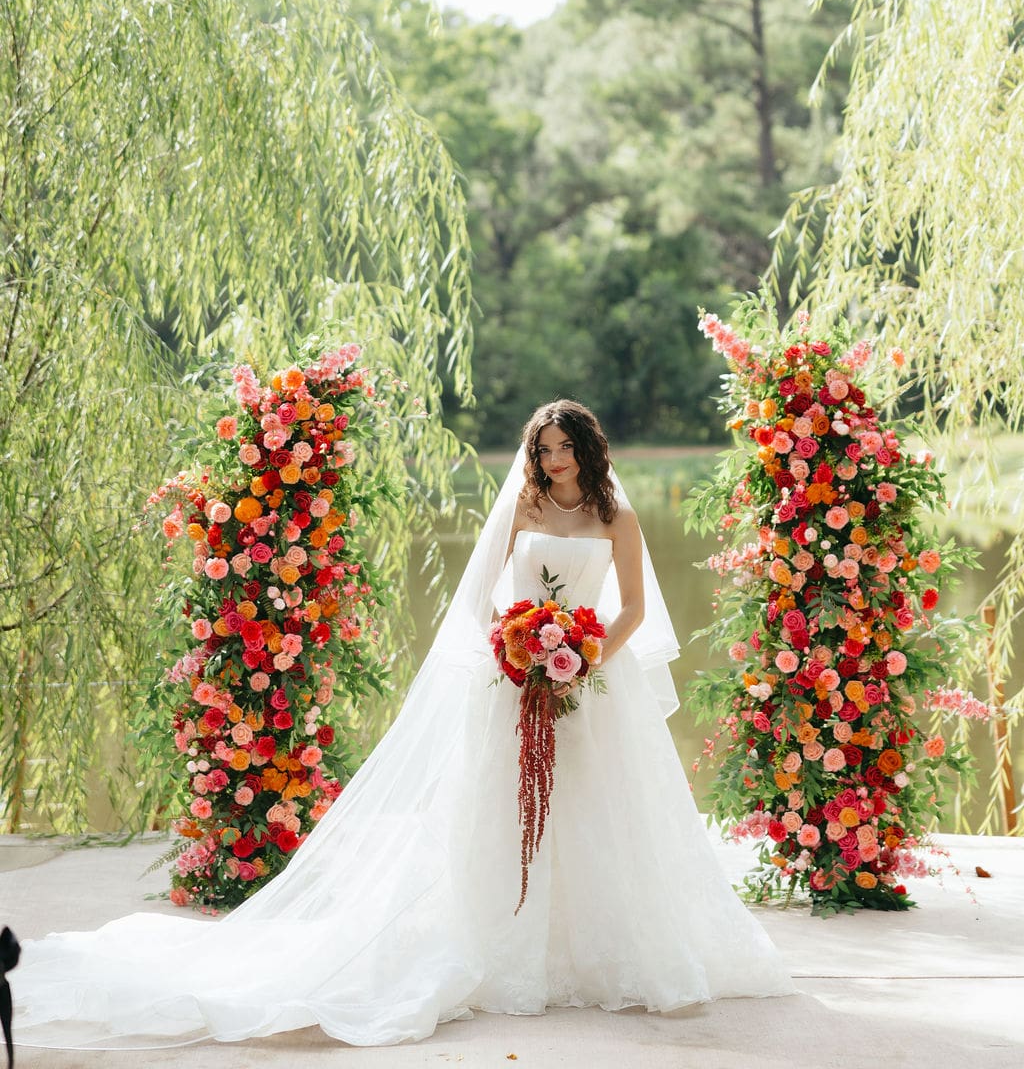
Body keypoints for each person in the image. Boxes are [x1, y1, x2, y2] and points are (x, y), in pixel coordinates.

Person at [14, 399, 793, 1052]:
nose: (551, 460)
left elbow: (632, 610)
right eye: (542, 448)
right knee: (500, 811)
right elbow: (482, 594)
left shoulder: (616, 515)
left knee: (599, 813)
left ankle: (598, 953)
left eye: (562, 448)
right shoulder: (519, 506)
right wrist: (522, 642)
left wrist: (585, 655)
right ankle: (501, 946)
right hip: (514, 671)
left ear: (587, 450)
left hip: (591, 683)